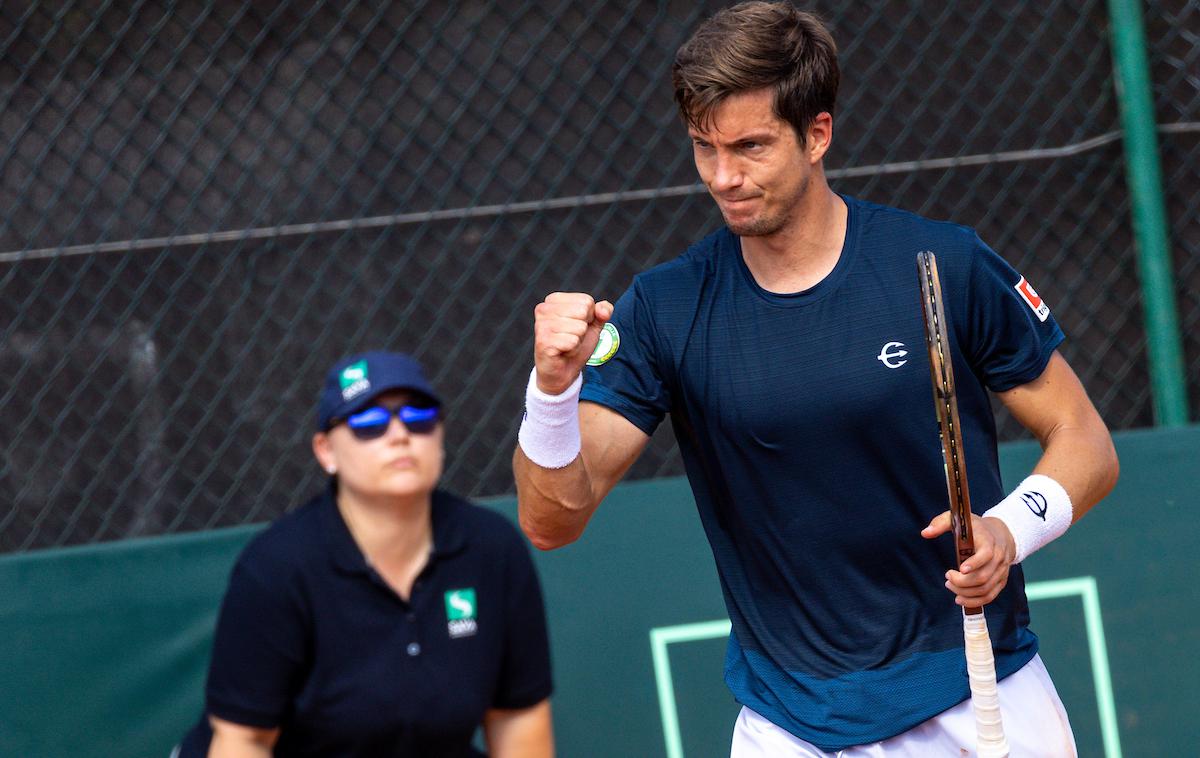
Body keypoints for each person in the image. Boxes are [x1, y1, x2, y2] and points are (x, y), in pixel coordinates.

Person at [513, 3, 1117, 756]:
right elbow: (551, 520)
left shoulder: (942, 263)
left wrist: (1008, 528)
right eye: (704, 148)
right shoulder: (664, 309)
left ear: (818, 134)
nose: (723, 177)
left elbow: (1086, 440)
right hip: (790, 725)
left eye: (751, 147)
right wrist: (551, 393)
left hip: (980, 688)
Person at [179, 351, 554, 757]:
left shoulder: (492, 550)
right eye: (369, 423)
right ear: (326, 452)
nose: (399, 434)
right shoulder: (276, 568)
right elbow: (243, 741)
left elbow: (516, 716)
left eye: (419, 417)